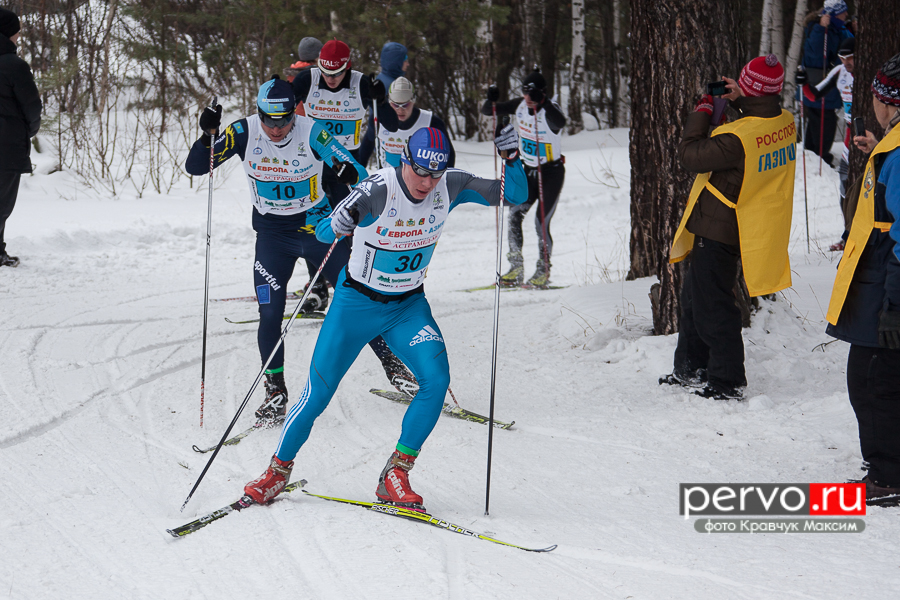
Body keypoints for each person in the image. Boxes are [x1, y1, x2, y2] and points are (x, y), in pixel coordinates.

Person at [242, 125, 527, 510]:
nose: (427, 182)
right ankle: (277, 471)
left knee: (436, 380)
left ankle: (396, 474)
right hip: (354, 307)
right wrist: (339, 220)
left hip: (407, 308)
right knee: (317, 395)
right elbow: (325, 234)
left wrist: (513, 158)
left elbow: (517, 194)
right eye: (421, 171)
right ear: (403, 160)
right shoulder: (379, 188)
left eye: (436, 173)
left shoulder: (452, 185)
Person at [184, 76, 415, 426]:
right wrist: (207, 136)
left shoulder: (312, 131)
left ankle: (393, 365)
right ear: (259, 113)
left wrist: (346, 176)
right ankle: (275, 391)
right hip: (273, 236)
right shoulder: (244, 132)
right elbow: (197, 167)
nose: (276, 129)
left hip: (317, 228)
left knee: (360, 298)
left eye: (284, 120)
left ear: (294, 112)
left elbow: (357, 172)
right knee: (270, 313)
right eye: (269, 120)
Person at [659, 55, 796, 400]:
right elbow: (756, 130)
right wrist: (743, 101)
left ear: (749, 87)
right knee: (695, 297)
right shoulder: (784, 122)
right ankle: (691, 366)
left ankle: (727, 379)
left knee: (713, 306)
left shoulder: (736, 137)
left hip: (722, 226)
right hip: (745, 223)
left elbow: (690, 154)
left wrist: (702, 113)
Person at [824, 52, 900, 506]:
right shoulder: (892, 148)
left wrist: (894, 299)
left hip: (888, 274)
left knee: (872, 379)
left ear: (884, 99)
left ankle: (889, 476)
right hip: (884, 271)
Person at [480, 68, 567, 288]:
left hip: (551, 173)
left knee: (541, 222)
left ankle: (542, 271)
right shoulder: (520, 105)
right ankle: (516, 268)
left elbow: (560, 121)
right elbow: (488, 111)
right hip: (528, 171)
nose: (528, 97)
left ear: (542, 93)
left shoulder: (550, 110)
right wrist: (490, 99)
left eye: (533, 93)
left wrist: (543, 102)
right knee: (514, 215)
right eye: (525, 91)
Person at [0, 8, 41, 268]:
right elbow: (32, 106)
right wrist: (30, 130)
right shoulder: (14, 66)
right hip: (5, 145)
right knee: (2, 203)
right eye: (16, 32)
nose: (18, 37)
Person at [291, 39, 371, 163]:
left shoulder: (361, 83)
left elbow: (386, 125)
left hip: (346, 154)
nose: (330, 78)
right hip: (314, 152)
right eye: (325, 72)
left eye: (336, 73)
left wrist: (381, 101)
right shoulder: (306, 79)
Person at [799, 0, 853, 167]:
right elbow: (814, 53)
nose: (846, 15)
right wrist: (822, 29)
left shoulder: (838, 29)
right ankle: (819, 155)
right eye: (843, 13)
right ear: (835, 14)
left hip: (826, 83)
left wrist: (851, 29)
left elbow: (847, 45)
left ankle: (813, 152)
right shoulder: (819, 30)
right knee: (823, 119)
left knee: (819, 118)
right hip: (819, 83)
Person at [373, 76, 455, 169]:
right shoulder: (380, 119)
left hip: (420, 179)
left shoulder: (431, 122)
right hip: (389, 178)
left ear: (413, 100)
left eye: (405, 105)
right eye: (395, 105)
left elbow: (449, 154)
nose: (400, 110)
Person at [358, 41, 409, 168]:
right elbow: (375, 119)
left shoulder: (383, 79)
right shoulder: (392, 86)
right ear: (396, 61)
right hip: (391, 144)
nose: (408, 64)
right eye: (405, 59)